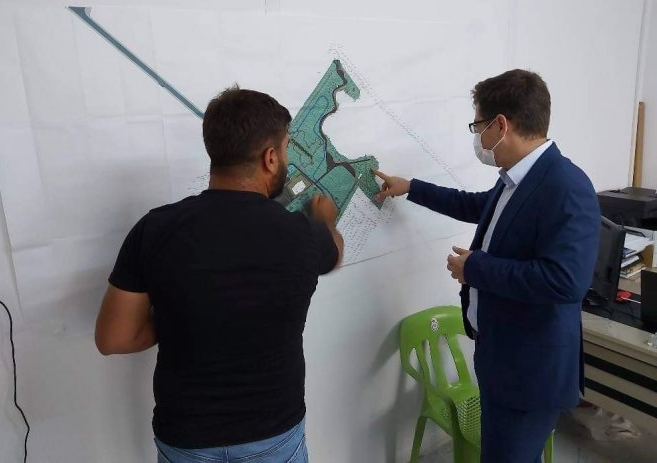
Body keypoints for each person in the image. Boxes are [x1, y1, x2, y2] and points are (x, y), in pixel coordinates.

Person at [95, 86, 343, 463]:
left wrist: (184, 314)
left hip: (186, 439)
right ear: (270, 158)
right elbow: (334, 252)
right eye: (286, 148)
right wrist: (325, 219)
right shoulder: (304, 235)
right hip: (274, 435)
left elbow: (114, 338)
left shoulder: (155, 229)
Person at [373, 69, 600, 462]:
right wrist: (411, 188)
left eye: (478, 126)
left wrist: (475, 269)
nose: (477, 136)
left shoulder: (566, 186)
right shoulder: (516, 178)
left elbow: (565, 281)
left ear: (501, 125)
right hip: (501, 358)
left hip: (530, 374)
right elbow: (477, 206)